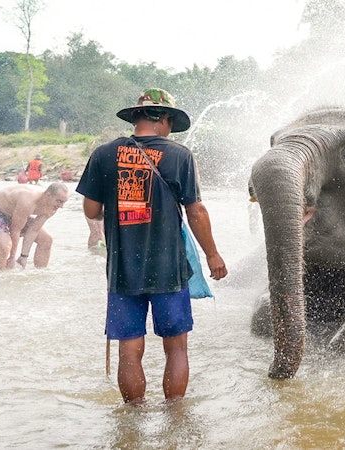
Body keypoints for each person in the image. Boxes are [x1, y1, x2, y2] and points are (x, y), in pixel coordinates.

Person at [76, 88, 227, 403]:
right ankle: (175, 416)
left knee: (129, 350)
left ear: (137, 117)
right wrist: (213, 255)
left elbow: (91, 211)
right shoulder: (179, 156)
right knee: (176, 347)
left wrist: (121, 204)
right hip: (168, 269)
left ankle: (132, 417)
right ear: (166, 119)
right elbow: (196, 211)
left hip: (121, 271)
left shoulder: (104, 154)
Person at [0, 182, 69, 273]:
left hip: (17, 213)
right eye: (59, 201)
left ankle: (40, 274)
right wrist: (12, 258)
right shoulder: (28, 201)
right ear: (48, 195)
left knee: (46, 240)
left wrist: (24, 256)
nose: (61, 206)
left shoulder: (52, 207)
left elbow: (34, 230)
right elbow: (15, 230)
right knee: (5, 246)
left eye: (64, 202)